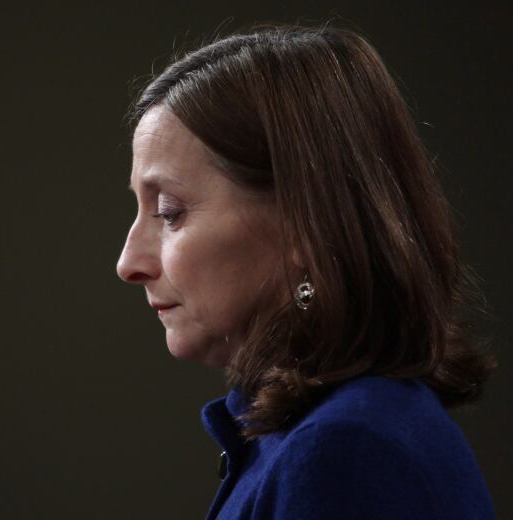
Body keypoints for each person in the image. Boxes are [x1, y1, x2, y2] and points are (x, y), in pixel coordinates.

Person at [116, 23, 497, 519]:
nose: (129, 263)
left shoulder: (346, 452)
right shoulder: (324, 434)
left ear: (306, 222)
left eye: (169, 212)